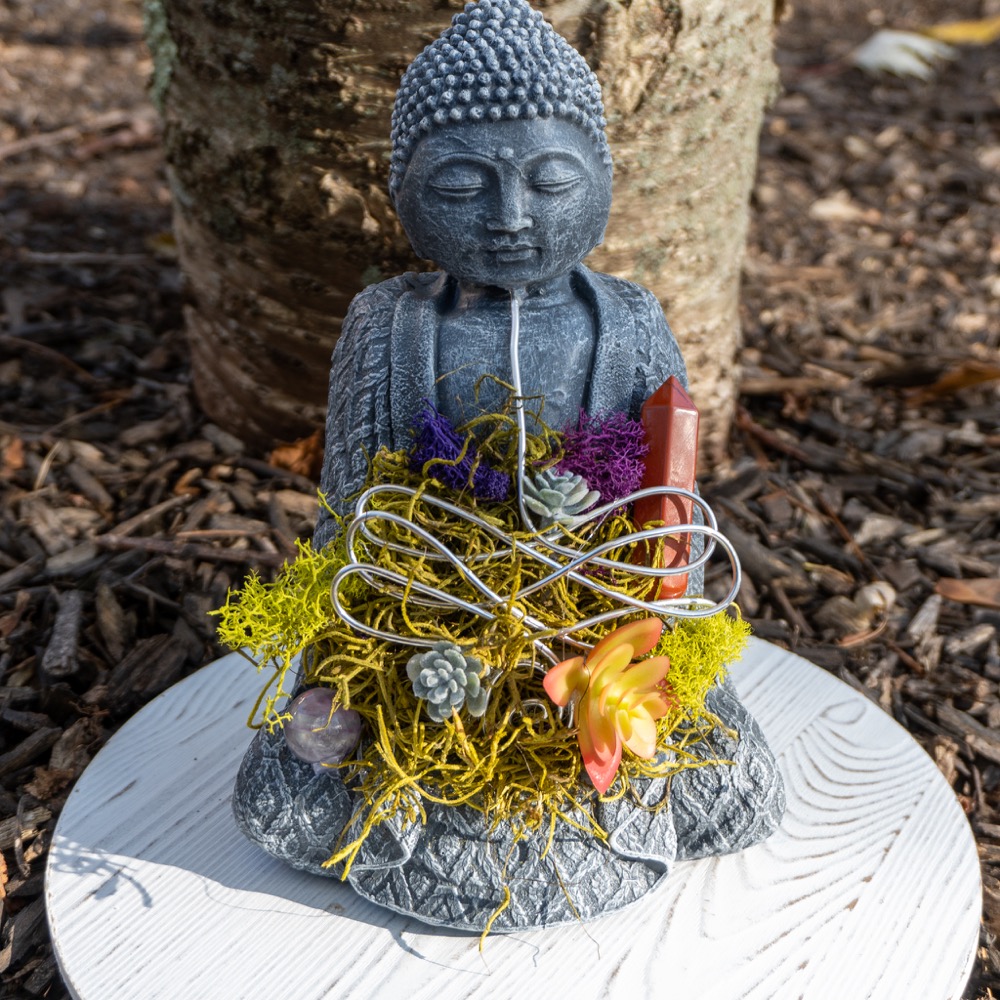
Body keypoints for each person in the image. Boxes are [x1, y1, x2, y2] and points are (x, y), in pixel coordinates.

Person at [235, 0, 784, 932]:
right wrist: (351, 620)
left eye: (551, 178)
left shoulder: (629, 317)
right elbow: (351, 500)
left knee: (711, 758)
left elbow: (670, 494)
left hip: (598, 602)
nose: (511, 217)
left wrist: (657, 596)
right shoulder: (391, 321)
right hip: (427, 601)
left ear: (603, 177)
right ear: (399, 188)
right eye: (459, 189)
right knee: (315, 767)